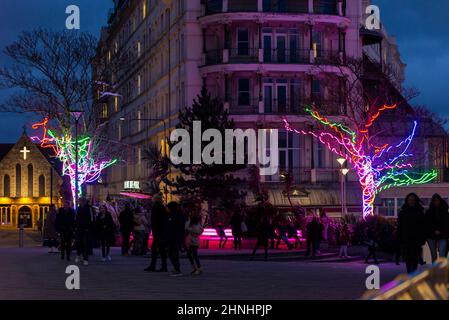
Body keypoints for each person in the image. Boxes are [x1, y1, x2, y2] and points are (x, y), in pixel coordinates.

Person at [398, 193, 426, 273]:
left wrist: (422, 239)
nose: (411, 201)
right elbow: (400, 226)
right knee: (408, 259)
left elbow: (423, 226)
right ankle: (410, 274)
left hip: (416, 239)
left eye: (413, 200)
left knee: (415, 258)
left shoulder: (420, 211)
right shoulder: (403, 212)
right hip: (406, 239)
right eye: (410, 199)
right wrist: (399, 238)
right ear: (407, 200)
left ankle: (413, 273)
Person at [144, 194, 168, 272]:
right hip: (161, 232)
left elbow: (155, 221)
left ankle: (153, 265)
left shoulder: (155, 207)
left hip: (157, 232)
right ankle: (163, 266)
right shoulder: (163, 207)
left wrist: (154, 229)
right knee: (161, 249)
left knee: (155, 249)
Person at [425, 193, 449, 263]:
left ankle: (440, 271)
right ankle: (436, 271)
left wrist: (440, 231)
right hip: (431, 235)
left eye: (437, 200)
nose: (436, 202)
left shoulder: (445, 212)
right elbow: (427, 224)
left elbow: (446, 224)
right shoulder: (429, 212)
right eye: (435, 201)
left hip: (442, 235)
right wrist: (433, 231)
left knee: (441, 254)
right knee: (434, 255)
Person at [166, 201, 185, 276]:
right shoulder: (179, 215)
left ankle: (177, 269)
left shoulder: (173, 215)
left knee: (172, 253)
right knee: (172, 252)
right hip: (176, 237)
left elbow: (172, 227)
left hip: (174, 237)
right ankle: (176, 268)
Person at [75, 198, 96, 265]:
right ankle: (79, 254)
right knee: (79, 242)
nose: (79, 202)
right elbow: (76, 218)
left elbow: (92, 219)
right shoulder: (79, 208)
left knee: (85, 244)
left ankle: (85, 258)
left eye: (79, 201)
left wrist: (89, 228)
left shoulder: (89, 208)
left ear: (83, 201)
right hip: (79, 228)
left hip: (86, 229)